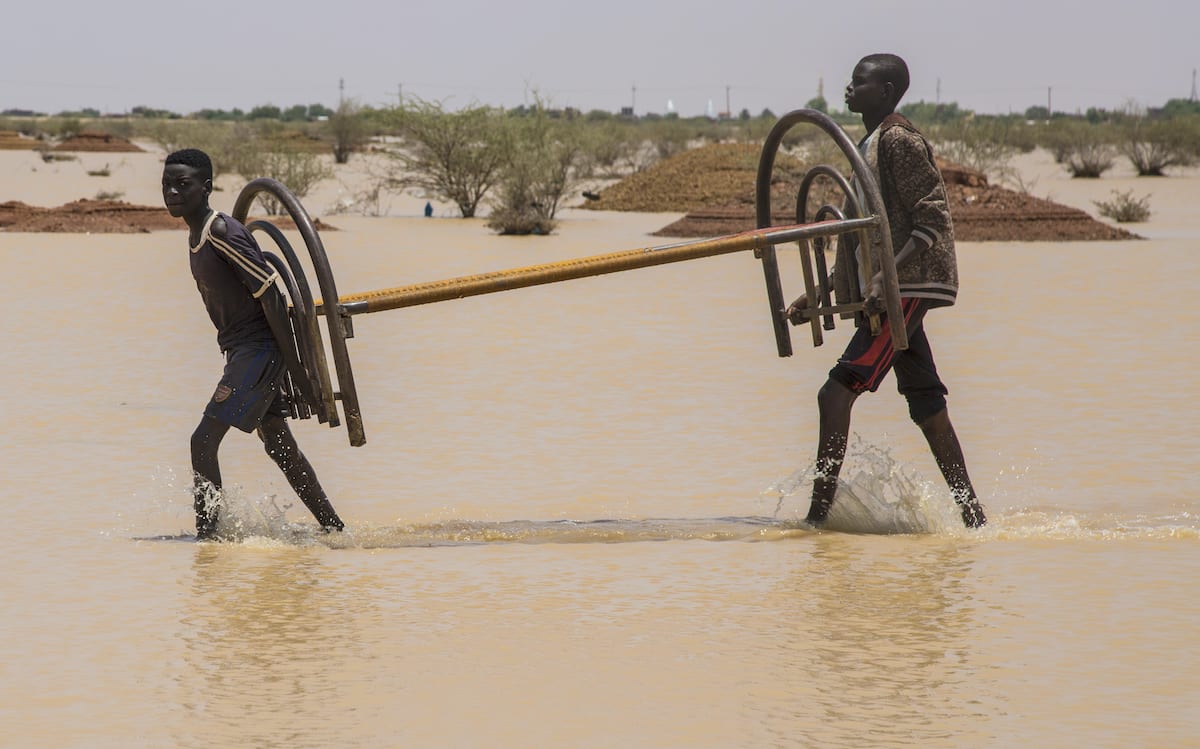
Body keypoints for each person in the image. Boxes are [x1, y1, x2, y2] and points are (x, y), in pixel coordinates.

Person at [786, 54, 987, 529]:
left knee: (834, 395)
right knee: (928, 405)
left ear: (887, 90)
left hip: (909, 284)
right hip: (894, 287)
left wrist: (889, 277)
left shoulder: (898, 140)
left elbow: (932, 218)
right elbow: (861, 238)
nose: (849, 89)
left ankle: (817, 519)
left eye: (860, 82)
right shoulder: (870, 143)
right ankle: (974, 517)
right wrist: (818, 293)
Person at [162, 148, 345, 540]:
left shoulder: (221, 232)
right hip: (241, 352)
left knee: (202, 442)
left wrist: (296, 367)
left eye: (183, 184)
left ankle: (208, 542)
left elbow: (271, 295)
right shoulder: (196, 236)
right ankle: (335, 531)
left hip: (259, 350)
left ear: (206, 188)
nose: (173, 192)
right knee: (280, 446)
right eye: (167, 184)